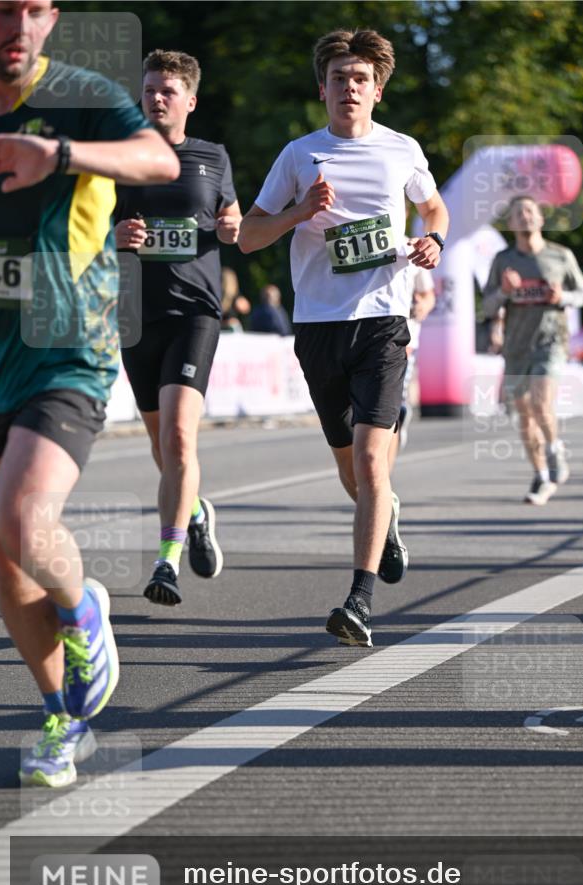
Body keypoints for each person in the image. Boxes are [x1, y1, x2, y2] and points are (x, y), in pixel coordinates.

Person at [0, 0, 180, 787]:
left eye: (35, 10)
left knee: (23, 517)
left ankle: (85, 607)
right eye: (4, 10)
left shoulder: (82, 94)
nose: (20, 25)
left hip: (67, 346)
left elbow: (160, 162)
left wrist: (62, 154)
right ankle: (63, 717)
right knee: (5, 562)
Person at [239, 29, 448, 647]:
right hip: (318, 326)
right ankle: (388, 521)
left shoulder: (401, 150)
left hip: (384, 321)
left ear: (377, 90)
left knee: (369, 461)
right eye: (338, 78)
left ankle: (358, 600)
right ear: (321, 88)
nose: (348, 89)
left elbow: (434, 209)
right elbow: (249, 237)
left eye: (360, 79)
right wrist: (299, 214)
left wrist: (433, 240)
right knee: (350, 473)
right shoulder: (299, 155)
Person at [114, 50, 242, 606]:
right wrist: (113, 239)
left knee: (179, 435)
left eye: (167, 90)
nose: (156, 98)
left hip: (195, 312)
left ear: (189, 100)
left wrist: (234, 224)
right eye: (149, 90)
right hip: (136, 315)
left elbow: (231, 219)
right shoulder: (119, 157)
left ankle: (165, 563)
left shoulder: (212, 157)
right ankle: (195, 510)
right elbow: (84, 229)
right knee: (160, 445)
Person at [483, 195, 583, 506]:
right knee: (525, 415)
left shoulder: (560, 256)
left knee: (542, 402)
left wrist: (563, 297)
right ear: (512, 223)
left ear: (541, 219)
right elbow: (489, 305)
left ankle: (555, 450)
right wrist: (505, 291)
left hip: (551, 341)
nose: (525, 216)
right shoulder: (503, 261)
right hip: (516, 346)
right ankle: (541, 475)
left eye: (530, 211)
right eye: (518, 213)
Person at [393, 264, 435, 452]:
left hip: (405, 339)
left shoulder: (413, 251)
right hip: (365, 337)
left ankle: (399, 412)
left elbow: (429, 296)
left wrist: (422, 306)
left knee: (390, 401)